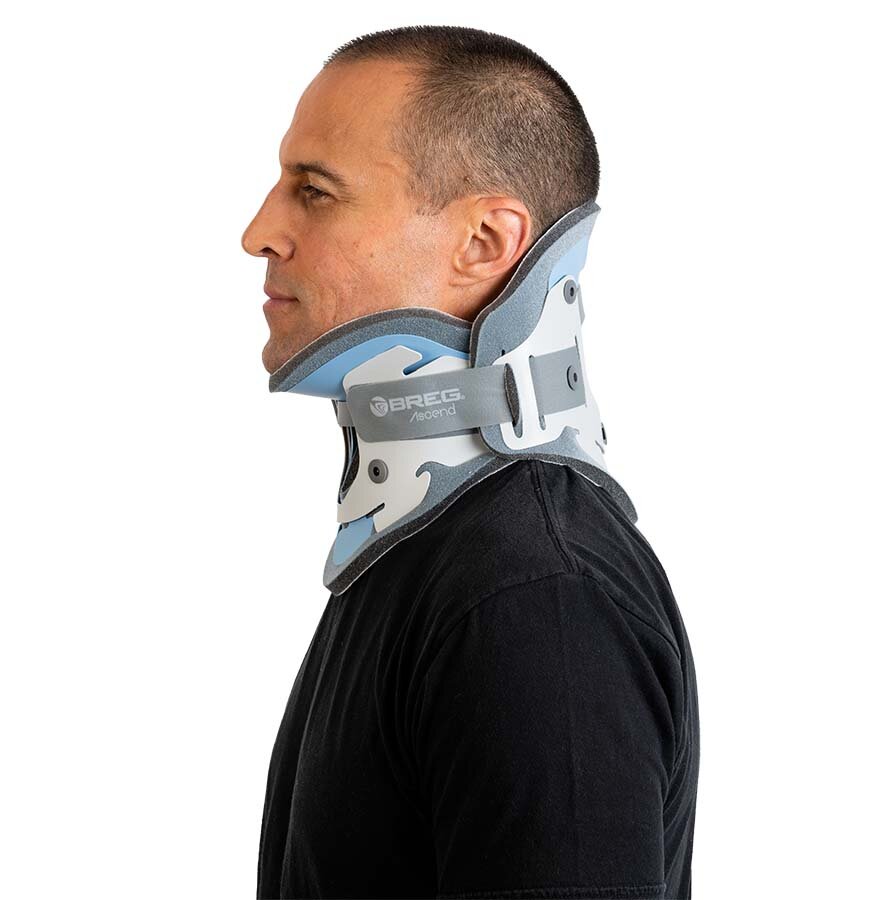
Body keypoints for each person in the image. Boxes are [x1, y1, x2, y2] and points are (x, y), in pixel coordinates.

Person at [241, 25, 699, 900]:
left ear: (486, 241)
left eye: (315, 192)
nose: (259, 232)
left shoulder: (534, 596)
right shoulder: (439, 557)